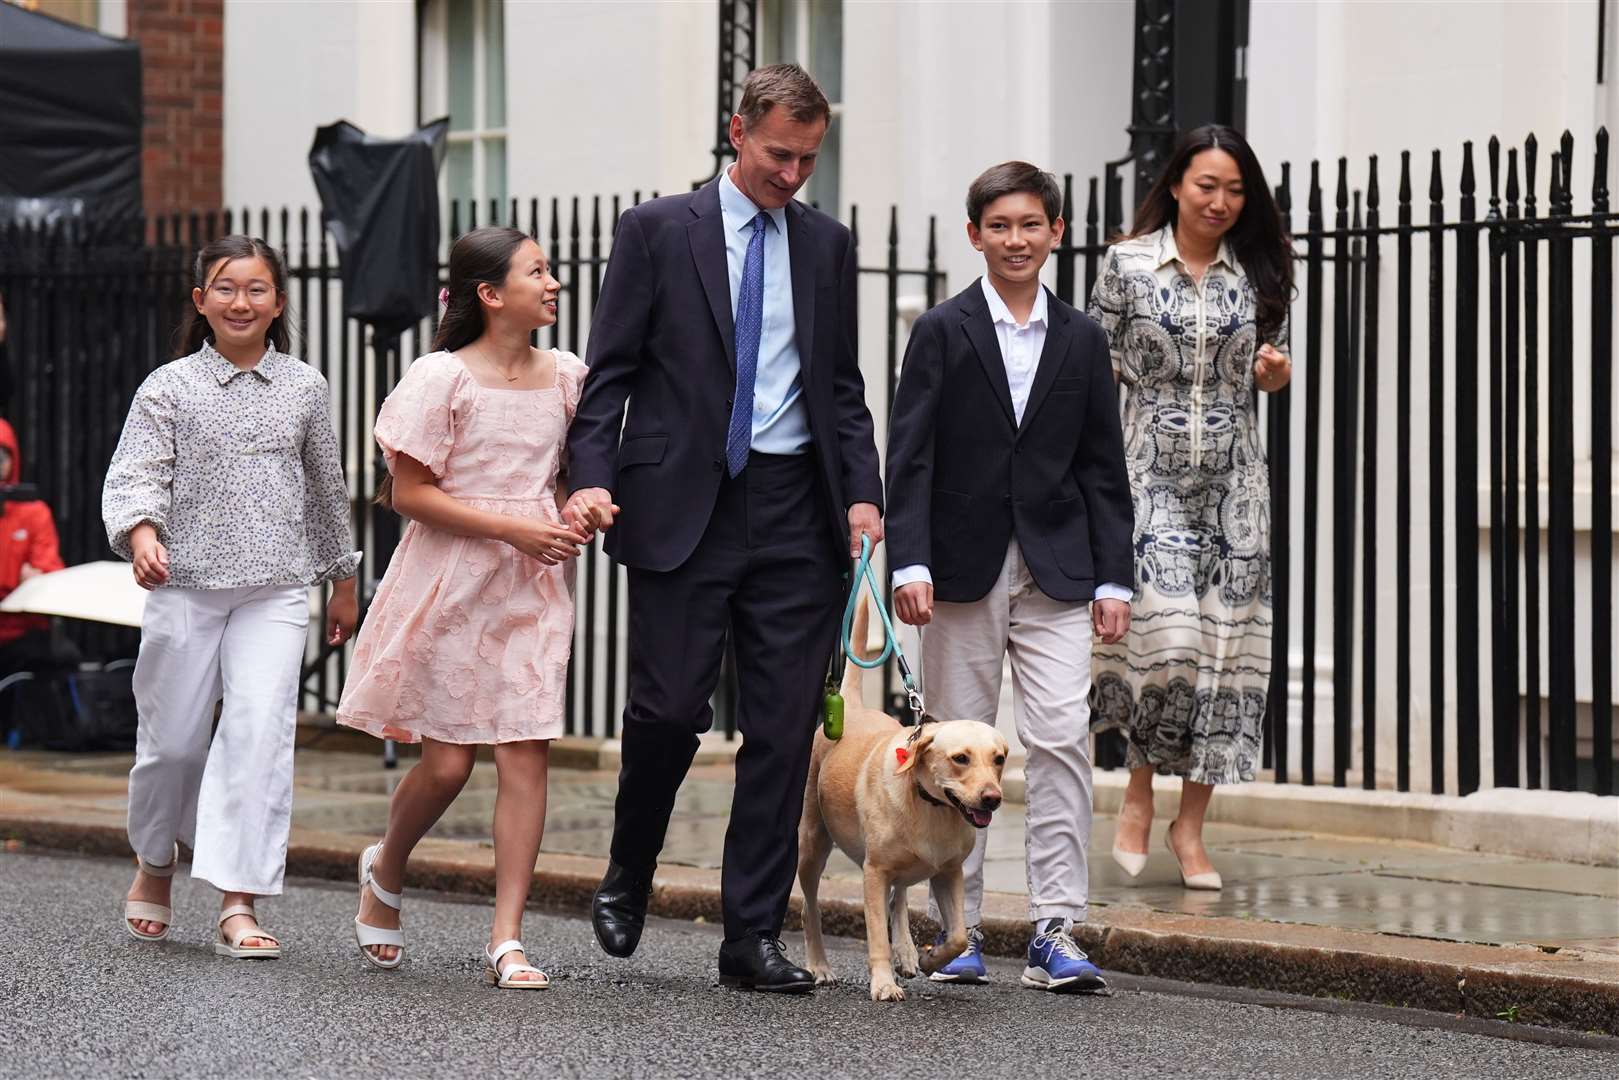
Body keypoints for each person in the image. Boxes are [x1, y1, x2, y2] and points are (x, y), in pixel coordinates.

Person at [565, 63, 883, 994]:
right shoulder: (658, 230)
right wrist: (589, 478)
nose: (793, 175)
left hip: (796, 509)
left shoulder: (827, 245)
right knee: (667, 713)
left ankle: (750, 935)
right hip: (682, 510)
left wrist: (861, 493)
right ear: (736, 132)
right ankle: (630, 868)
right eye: (780, 154)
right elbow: (608, 372)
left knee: (784, 732)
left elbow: (841, 388)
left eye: (809, 159)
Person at [886, 162, 1134, 993]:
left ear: (1055, 233)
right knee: (957, 756)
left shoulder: (1081, 338)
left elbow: (1103, 465)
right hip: (956, 570)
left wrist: (1113, 579)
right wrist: (908, 558)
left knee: (1060, 738)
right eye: (999, 227)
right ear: (974, 236)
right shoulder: (942, 330)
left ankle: (1054, 929)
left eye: (1031, 225)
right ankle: (958, 932)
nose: (1016, 240)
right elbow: (910, 454)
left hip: (1060, 569)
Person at [338, 227, 589, 991]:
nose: (553, 283)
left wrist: (577, 507)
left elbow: (572, 476)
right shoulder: (437, 377)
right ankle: (387, 866)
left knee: (526, 748)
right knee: (446, 764)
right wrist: (513, 525)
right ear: (488, 293)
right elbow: (408, 494)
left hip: (532, 588)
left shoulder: (570, 376)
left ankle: (506, 938)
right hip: (449, 580)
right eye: (536, 271)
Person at [103, 235, 359, 957]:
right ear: (200, 301)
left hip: (275, 590)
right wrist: (144, 535)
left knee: (258, 735)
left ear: (278, 303)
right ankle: (155, 861)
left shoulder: (305, 386)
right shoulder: (167, 386)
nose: (240, 301)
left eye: (255, 289)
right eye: (225, 287)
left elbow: (325, 488)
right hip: (184, 585)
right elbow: (135, 476)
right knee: (174, 744)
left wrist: (343, 580)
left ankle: (239, 899)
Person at [1087, 125, 1294, 891]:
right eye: (1206, 185)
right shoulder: (1127, 265)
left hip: (1236, 486)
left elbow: (1268, 374)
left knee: (1223, 658)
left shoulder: (1258, 273)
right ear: (1174, 184)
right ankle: (1138, 793)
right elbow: (1087, 363)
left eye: (1235, 190)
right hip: (1147, 474)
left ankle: (1191, 826)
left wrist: (1273, 373)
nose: (1219, 201)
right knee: (1168, 644)